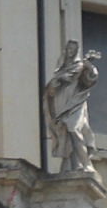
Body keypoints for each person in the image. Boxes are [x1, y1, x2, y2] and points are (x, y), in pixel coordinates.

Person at [43, 39, 103, 175]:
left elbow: (91, 78)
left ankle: (86, 164)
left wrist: (89, 66)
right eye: (68, 49)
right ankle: (69, 165)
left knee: (74, 130)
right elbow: (51, 90)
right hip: (61, 106)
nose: (70, 52)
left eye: (73, 49)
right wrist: (53, 86)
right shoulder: (61, 70)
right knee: (66, 135)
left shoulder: (80, 66)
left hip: (75, 104)